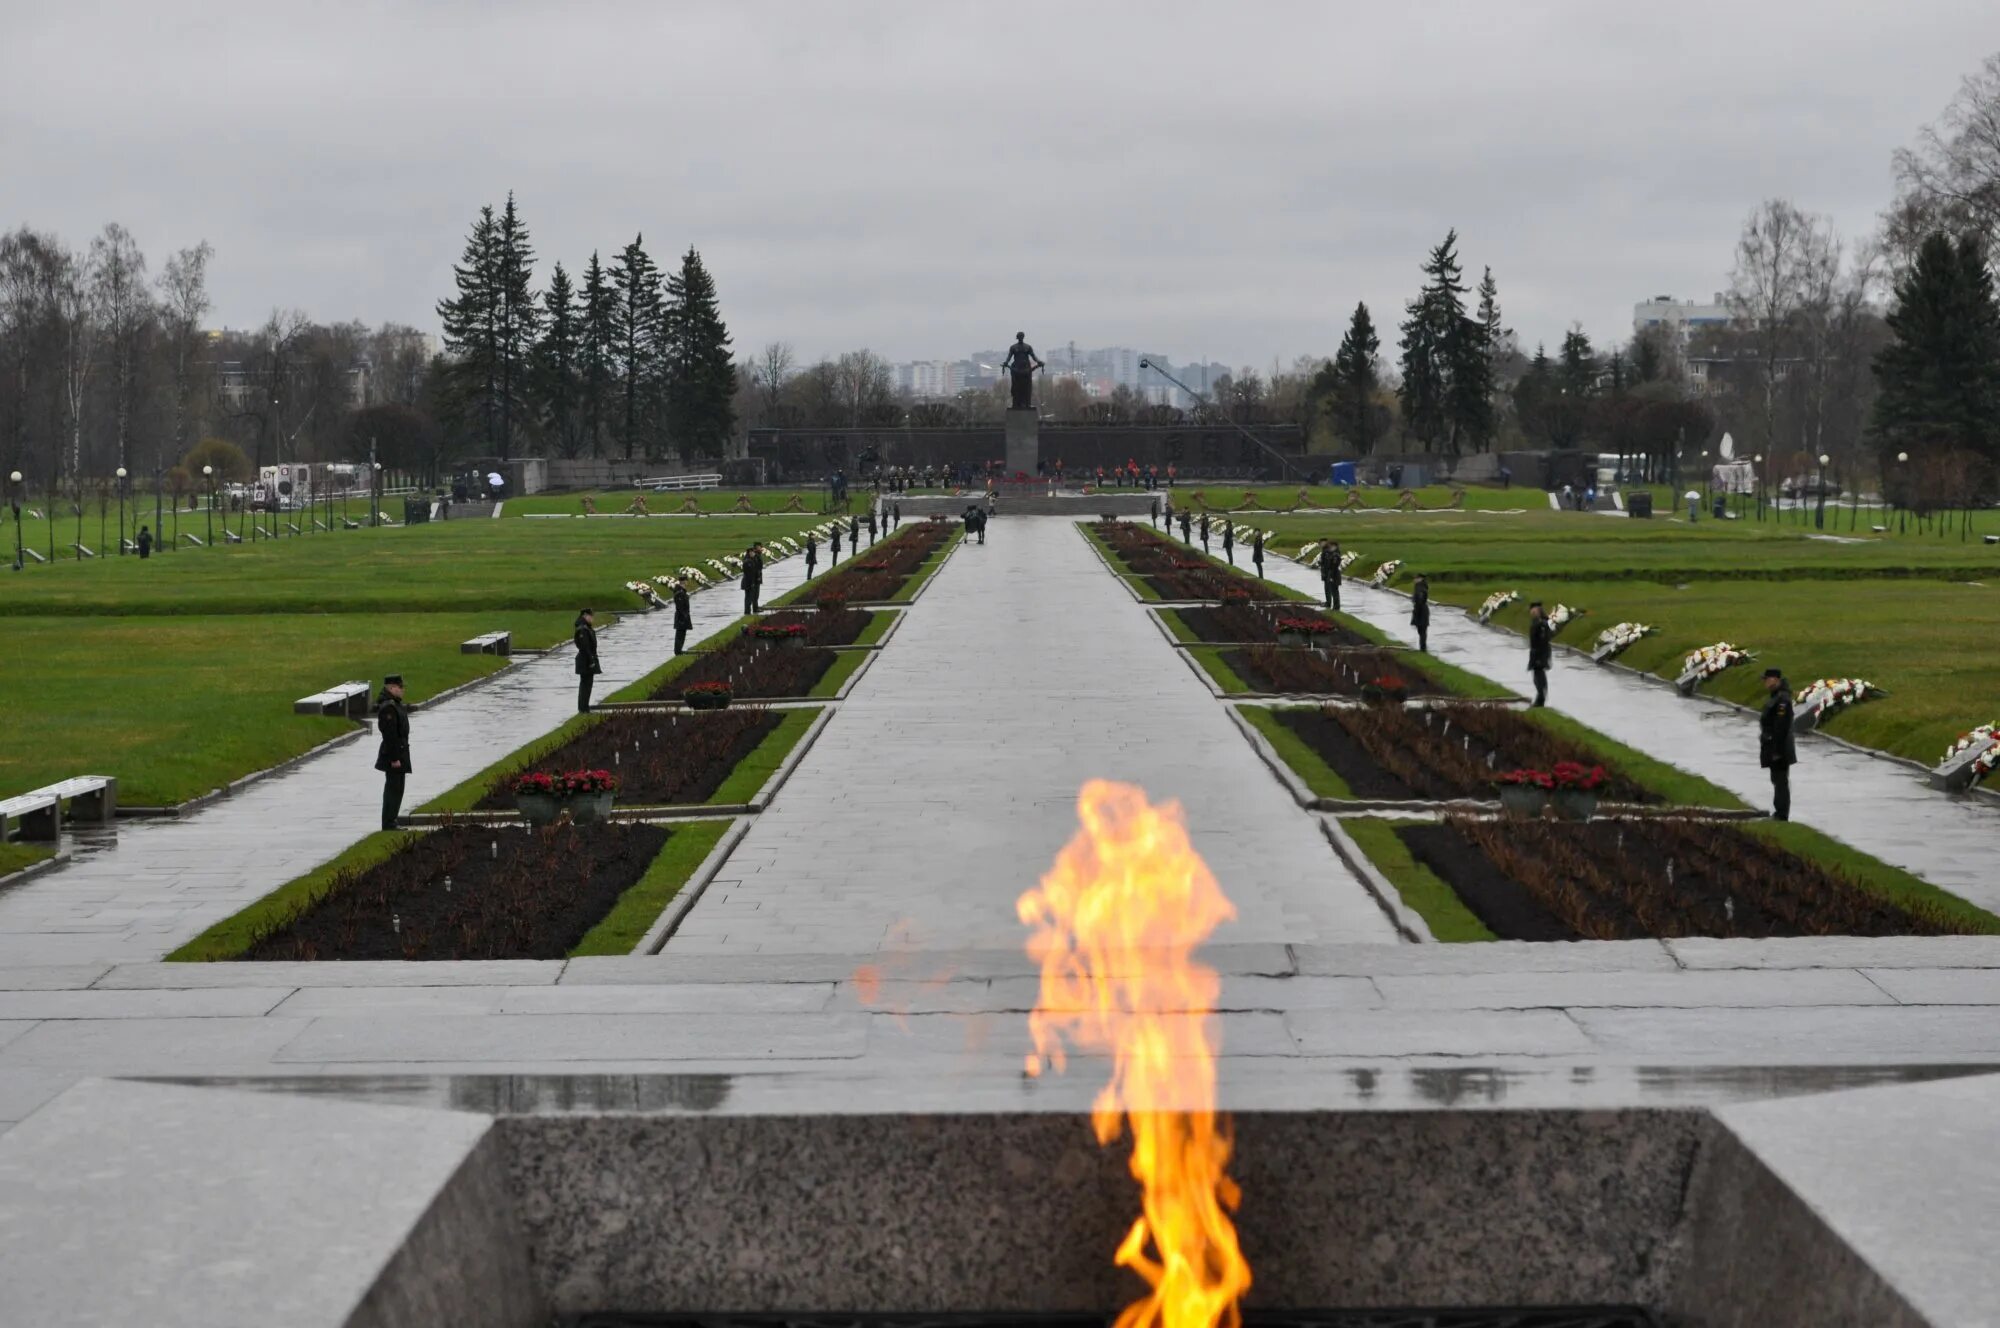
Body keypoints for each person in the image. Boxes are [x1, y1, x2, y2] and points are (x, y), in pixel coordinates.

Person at [1760, 668, 1797, 821]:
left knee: (1780, 781)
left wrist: (1776, 751)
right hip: (1774, 747)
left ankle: (1781, 814)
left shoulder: (1782, 700)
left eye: (1767, 679)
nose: (1765, 683)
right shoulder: (1777, 696)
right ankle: (1779, 812)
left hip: (1779, 749)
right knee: (1777, 780)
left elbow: (1781, 727)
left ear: (1775, 680)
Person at [374, 674, 411, 831]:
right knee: (393, 789)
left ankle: (392, 820)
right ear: (391, 688)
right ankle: (389, 822)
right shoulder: (389, 707)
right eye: (400, 687)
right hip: (394, 755)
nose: (402, 690)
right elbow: (390, 736)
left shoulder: (394, 704)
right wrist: (395, 758)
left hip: (400, 751)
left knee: (398, 788)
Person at [572, 608, 602, 712]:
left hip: (587, 659)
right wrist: (591, 661)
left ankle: (585, 707)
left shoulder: (586, 628)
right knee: (585, 685)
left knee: (587, 685)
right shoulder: (583, 629)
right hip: (585, 661)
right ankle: (583, 708)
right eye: (591, 616)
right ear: (585, 615)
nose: (592, 618)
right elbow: (585, 647)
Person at [1527, 600, 1553, 707]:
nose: (1531, 612)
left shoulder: (1540, 624)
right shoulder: (1539, 622)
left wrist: (1540, 657)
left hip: (1539, 653)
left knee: (1539, 677)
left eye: (1533, 610)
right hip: (1537, 653)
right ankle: (1540, 697)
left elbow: (1543, 641)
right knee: (1537, 676)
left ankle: (1540, 699)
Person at [672, 579, 693, 656]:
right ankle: (678, 651)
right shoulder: (680, 593)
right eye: (686, 581)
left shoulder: (682, 591)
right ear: (684, 582)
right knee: (680, 635)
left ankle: (679, 650)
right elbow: (680, 607)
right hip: (681, 617)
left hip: (683, 616)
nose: (687, 583)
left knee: (682, 634)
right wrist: (684, 616)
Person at [1411, 574, 1431, 652]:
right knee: (1421, 630)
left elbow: (1420, 599)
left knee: (1422, 630)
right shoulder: (1421, 586)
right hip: (1421, 609)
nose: (1414, 580)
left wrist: (1417, 610)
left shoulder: (1420, 587)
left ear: (1420, 579)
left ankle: (1423, 648)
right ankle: (1423, 647)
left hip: (1421, 610)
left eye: (1416, 578)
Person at [741, 545, 763, 615]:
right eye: (752, 552)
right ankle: (747, 612)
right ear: (749, 553)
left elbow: (759, 566)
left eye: (754, 552)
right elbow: (749, 574)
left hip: (754, 581)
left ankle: (754, 609)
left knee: (755, 596)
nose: (753, 553)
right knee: (749, 598)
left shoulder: (754, 559)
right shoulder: (748, 561)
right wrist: (752, 583)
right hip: (749, 582)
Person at [1320, 542, 1342, 611]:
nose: (1331, 547)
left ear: (1335, 546)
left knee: (1334, 591)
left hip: (1334, 574)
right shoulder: (1333, 554)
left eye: (1332, 546)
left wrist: (1331, 577)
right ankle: (1335, 606)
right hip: (1331, 573)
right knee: (1333, 591)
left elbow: (1334, 566)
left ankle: (1336, 607)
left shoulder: (1335, 555)